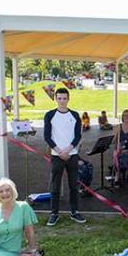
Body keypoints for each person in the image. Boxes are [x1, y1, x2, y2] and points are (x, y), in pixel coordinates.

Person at [43, 87, 85, 226]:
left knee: (74, 185)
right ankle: (54, 213)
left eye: (64, 98)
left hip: (72, 155)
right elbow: (47, 136)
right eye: (59, 98)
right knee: (55, 186)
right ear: (55, 99)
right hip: (57, 155)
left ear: (68, 99)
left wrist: (68, 150)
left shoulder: (74, 115)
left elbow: (78, 135)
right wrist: (59, 151)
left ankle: (75, 212)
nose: (62, 101)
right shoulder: (49, 115)